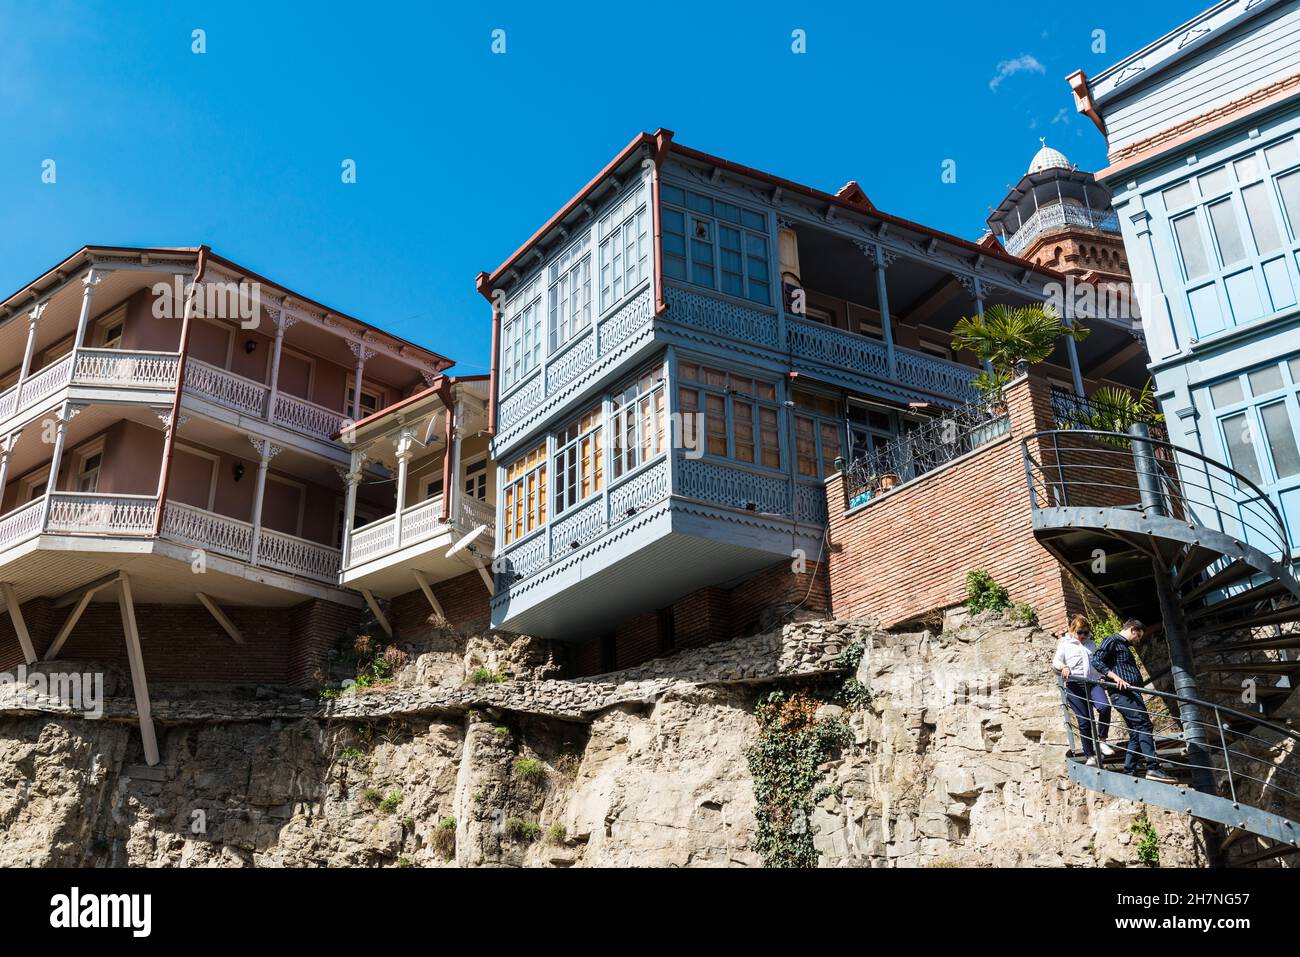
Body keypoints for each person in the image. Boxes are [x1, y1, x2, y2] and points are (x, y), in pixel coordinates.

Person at [1091, 619, 1177, 784]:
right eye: (1139, 635)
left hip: (1131, 694)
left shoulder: (1123, 646)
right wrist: (1115, 678)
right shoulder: (1113, 640)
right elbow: (1096, 660)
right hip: (1122, 694)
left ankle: (1129, 771)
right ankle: (1153, 767)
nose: (1139, 639)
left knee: (1136, 732)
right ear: (1133, 630)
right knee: (1144, 725)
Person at [1052, 616, 1114, 766]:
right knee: (1084, 721)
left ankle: (1102, 740)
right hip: (1075, 685)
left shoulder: (1091, 644)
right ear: (1073, 630)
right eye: (1080, 632)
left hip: (1093, 683)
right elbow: (1056, 661)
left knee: (1104, 707)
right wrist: (1063, 667)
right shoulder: (1065, 644)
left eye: (1086, 633)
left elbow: (1098, 663)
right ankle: (1090, 755)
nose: (1083, 636)